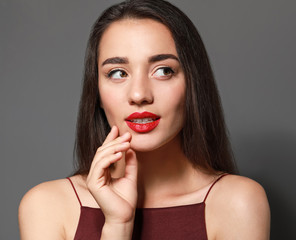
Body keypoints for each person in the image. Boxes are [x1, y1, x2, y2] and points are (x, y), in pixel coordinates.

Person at [18, 0, 270, 239]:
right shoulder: (46, 206)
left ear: (193, 84)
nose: (139, 94)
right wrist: (117, 226)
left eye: (163, 71)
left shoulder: (237, 202)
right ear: (97, 93)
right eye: (118, 73)